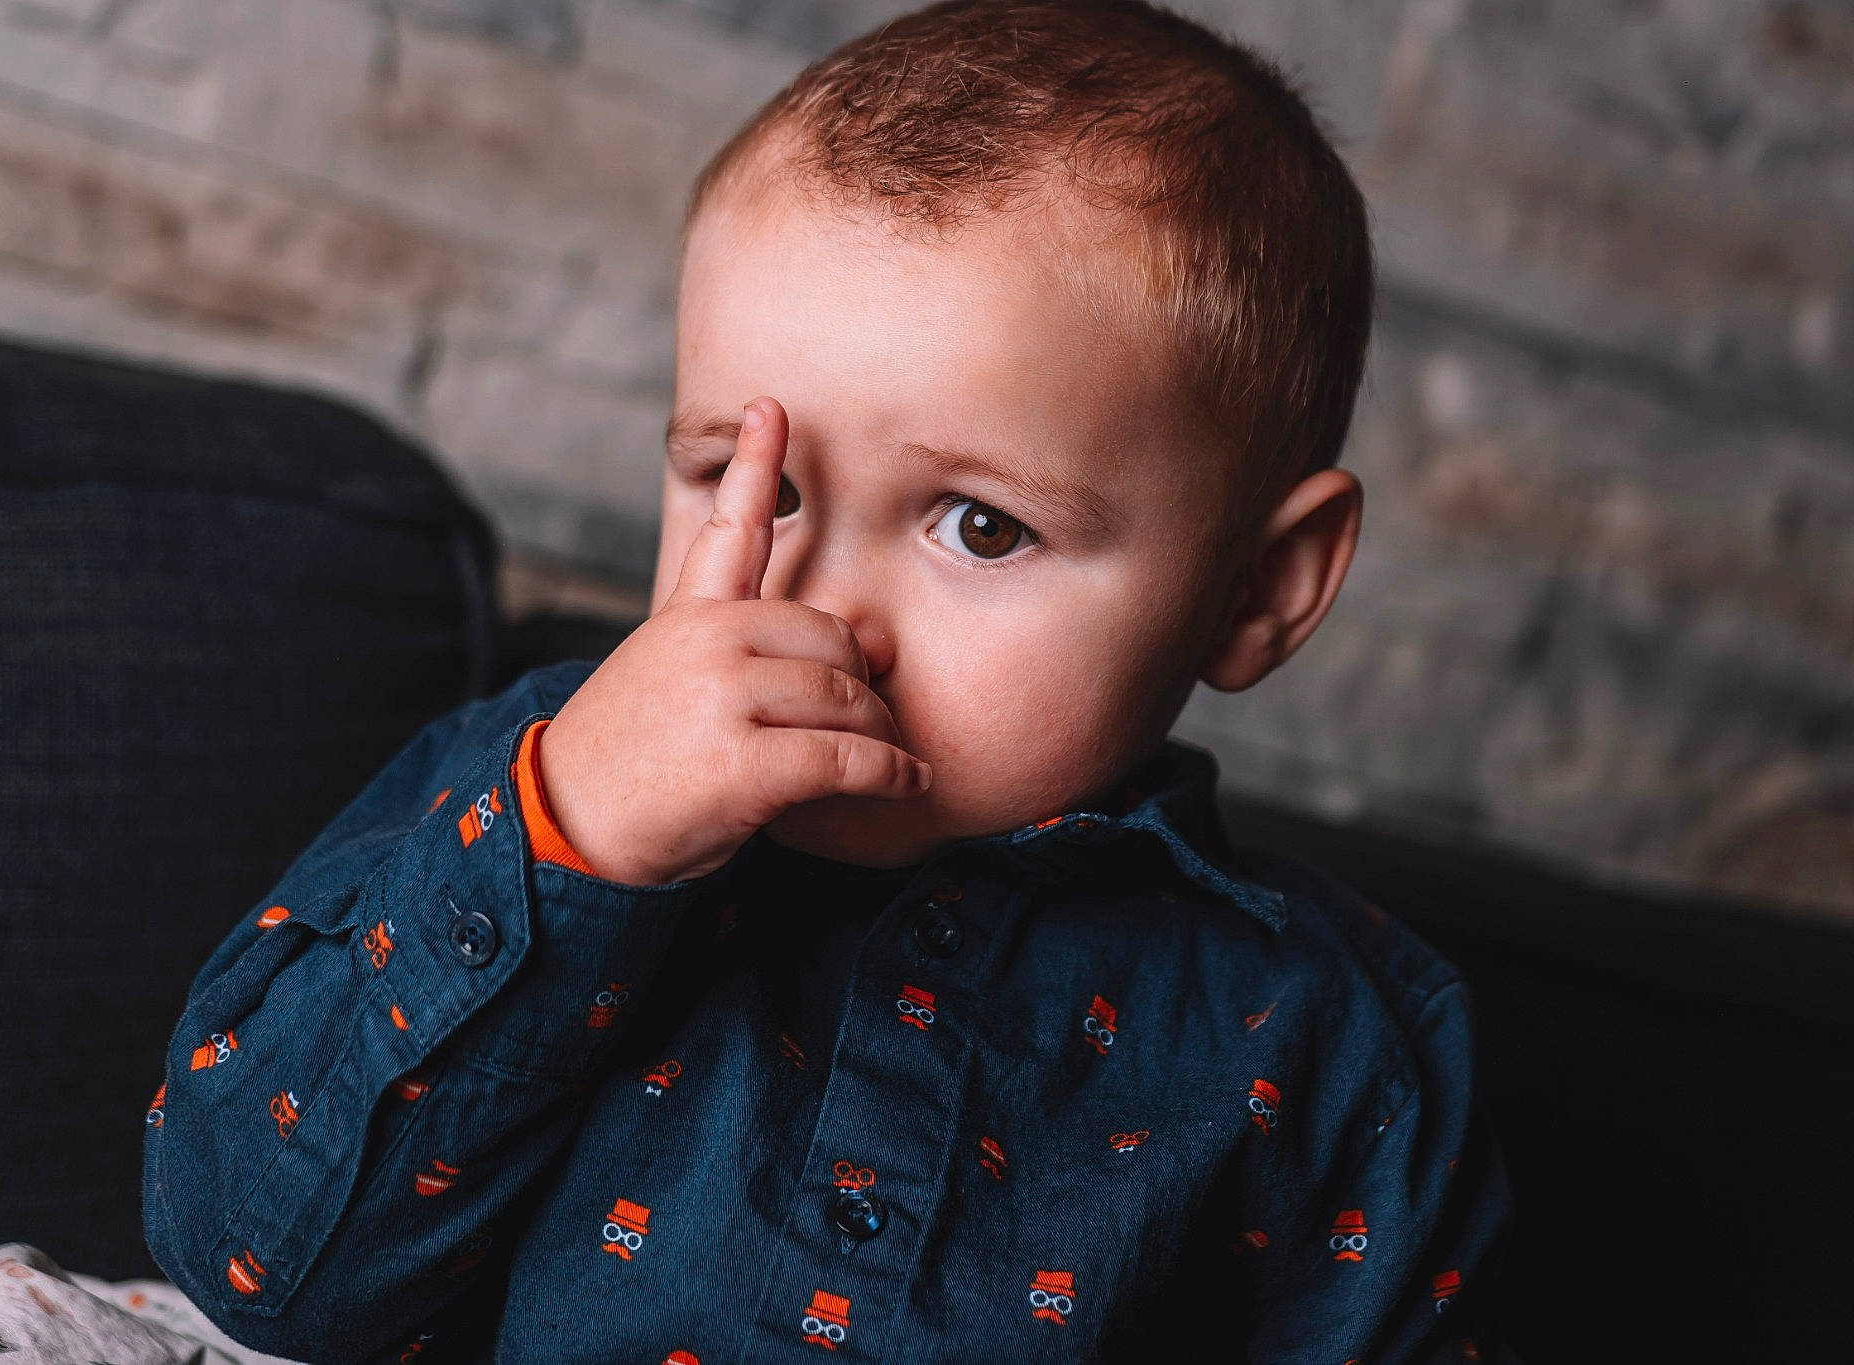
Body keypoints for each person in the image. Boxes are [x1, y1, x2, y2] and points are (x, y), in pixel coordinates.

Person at [143, 1, 1513, 1359]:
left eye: (981, 524)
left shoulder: (1329, 1039)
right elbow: (251, 1257)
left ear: (1260, 589)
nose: (823, 615)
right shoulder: (534, 787)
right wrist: (576, 841)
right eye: (763, 486)